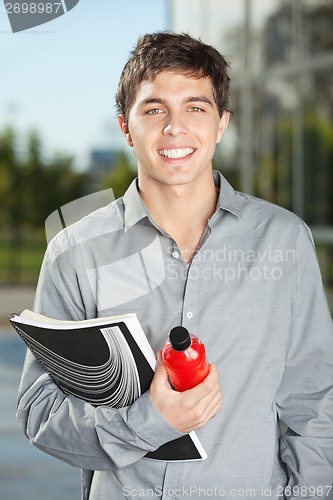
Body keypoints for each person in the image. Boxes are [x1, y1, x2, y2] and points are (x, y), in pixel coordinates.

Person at [17, 32, 333, 500]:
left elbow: (315, 401)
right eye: (153, 109)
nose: (175, 127)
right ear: (126, 126)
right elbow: (40, 413)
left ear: (222, 123)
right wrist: (152, 421)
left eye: (195, 107)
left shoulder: (283, 240)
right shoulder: (74, 253)